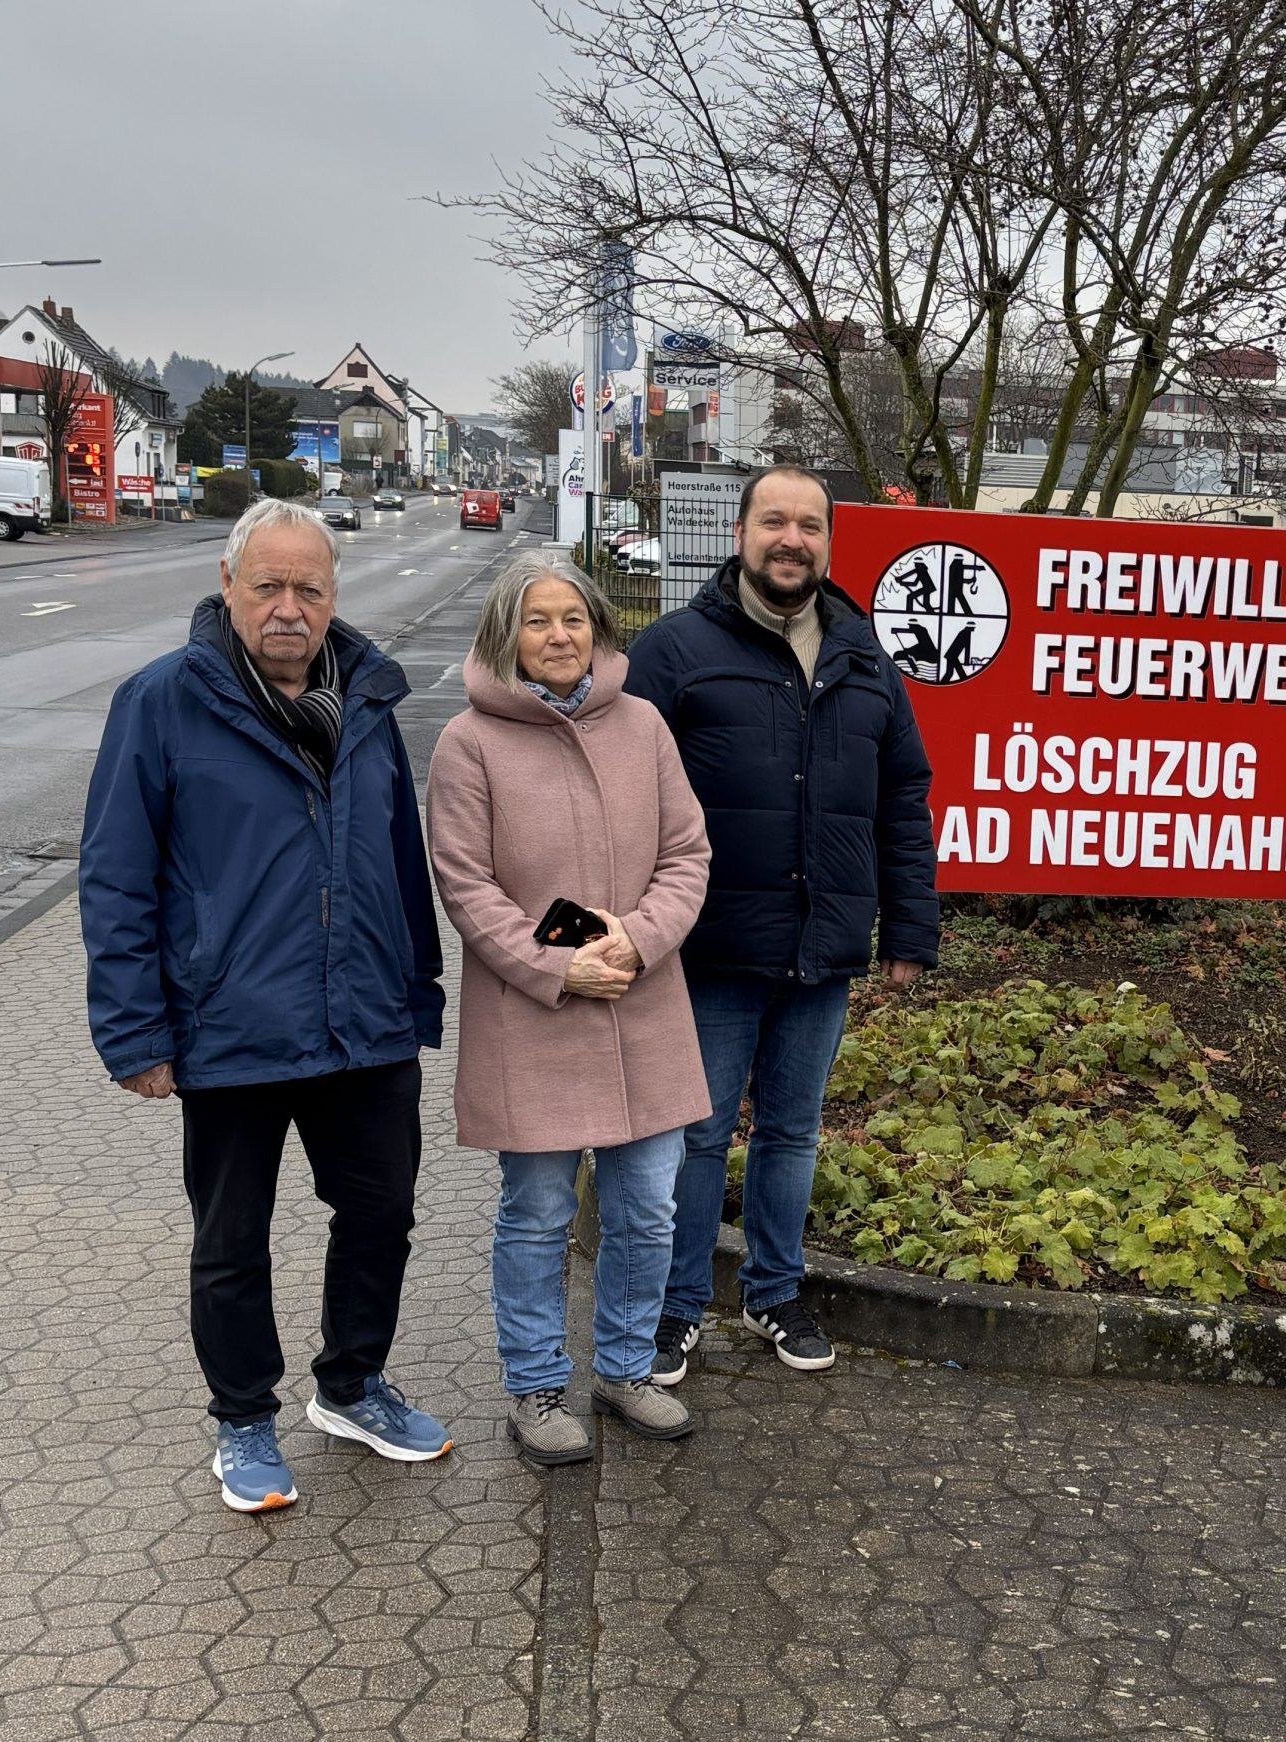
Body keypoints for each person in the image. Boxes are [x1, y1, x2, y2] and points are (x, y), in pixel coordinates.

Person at [79, 498, 453, 1515]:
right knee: (232, 1234)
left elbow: (395, 856)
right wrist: (134, 1030)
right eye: (268, 587)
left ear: (334, 595)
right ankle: (244, 1415)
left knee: (381, 1213)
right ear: (229, 584)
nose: (288, 608)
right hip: (229, 1022)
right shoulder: (161, 701)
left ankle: (351, 1384)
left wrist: (417, 986)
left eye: (309, 589)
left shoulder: (367, 698)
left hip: (363, 1020)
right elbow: (116, 877)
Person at [625, 465, 939, 1380]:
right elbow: (620, 795)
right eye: (774, 521)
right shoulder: (676, 650)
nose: (790, 539)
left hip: (823, 946)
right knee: (696, 1135)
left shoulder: (864, 655)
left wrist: (910, 933)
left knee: (793, 1133)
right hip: (708, 949)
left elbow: (904, 796)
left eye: (808, 524)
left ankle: (774, 1290)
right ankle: (675, 1308)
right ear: (740, 532)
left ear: (829, 543)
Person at [426, 555, 713, 1463]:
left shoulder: (645, 727)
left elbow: (688, 855)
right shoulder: (468, 744)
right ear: (506, 635)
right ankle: (537, 1386)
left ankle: (626, 1370)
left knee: (648, 1211)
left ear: (599, 629)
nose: (559, 637)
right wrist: (560, 967)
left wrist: (636, 940)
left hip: (644, 1007)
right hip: (536, 1018)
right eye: (539, 621)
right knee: (539, 1214)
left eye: (574, 620)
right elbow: (467, 888)